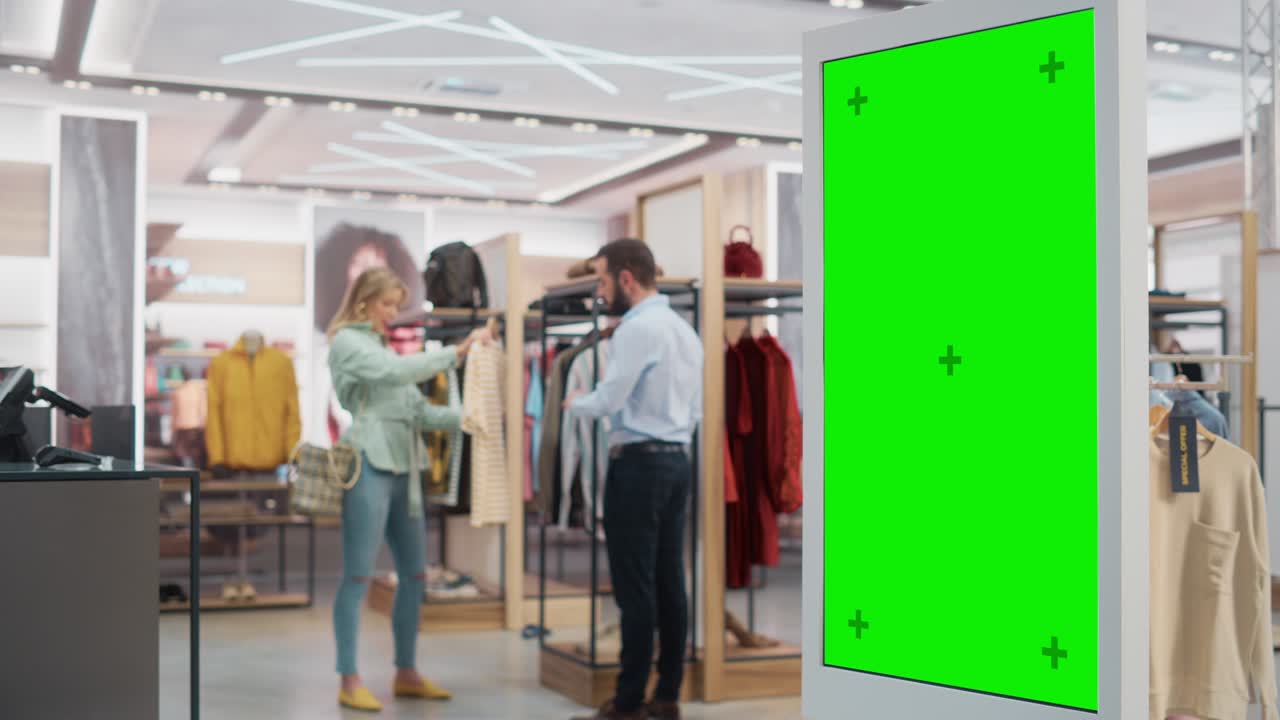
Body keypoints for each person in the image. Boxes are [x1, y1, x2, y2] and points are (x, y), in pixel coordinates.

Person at [326, 267, 492, 712]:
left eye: (397, 306)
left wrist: (468, 417)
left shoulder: (380, 345)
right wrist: (457, 352)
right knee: (358, 576)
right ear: (364, 302)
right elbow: (394, 374)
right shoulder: (348, 343)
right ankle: (349, 677)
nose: (392, 314)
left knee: (415, 575)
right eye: (386, 305)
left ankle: (407, 671)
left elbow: (418, 411)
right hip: (368, 464)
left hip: (406, 468)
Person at [565, 239, 704, 720]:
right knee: (670, 580)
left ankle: (627, 702)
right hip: (677, 462)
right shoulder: (686, 332)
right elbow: (697, 410)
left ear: (626, 278)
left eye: (602, 280)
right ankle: (667, 696)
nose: (600, 292)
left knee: (634, 586)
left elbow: (610, 397)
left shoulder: (635, 330)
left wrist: (574, 403)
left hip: (638, 465)